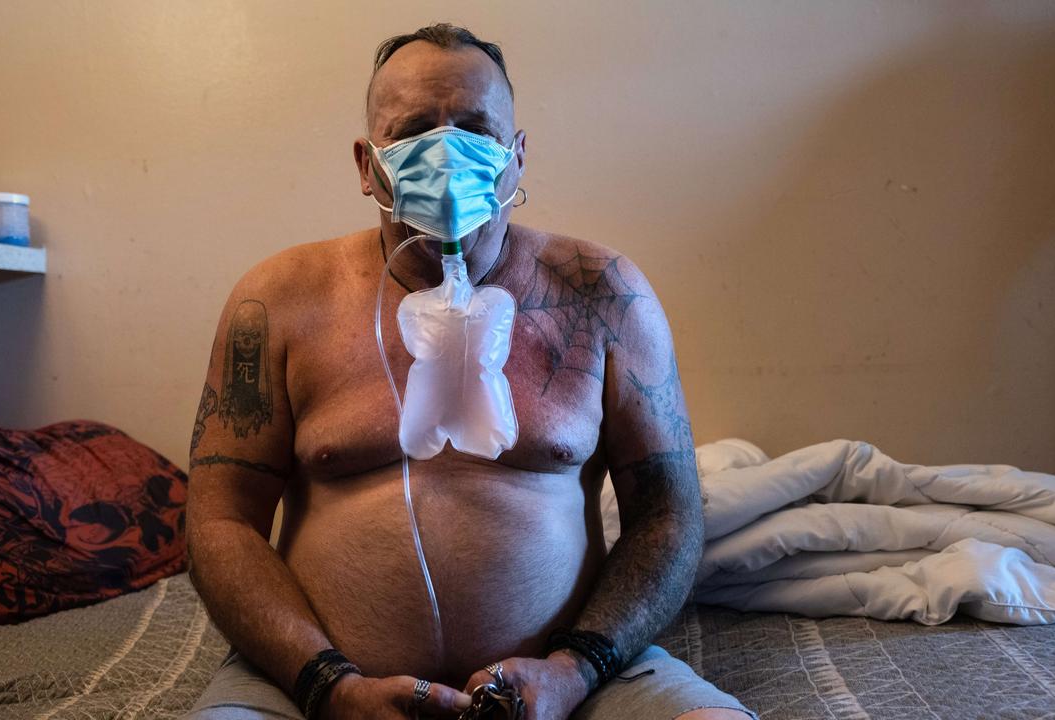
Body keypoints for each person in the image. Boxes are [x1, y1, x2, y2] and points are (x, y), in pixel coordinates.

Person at [184, 23, 756, 720]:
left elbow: (669, 513)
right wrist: (328, 686)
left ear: (517, 159)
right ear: (369, 166)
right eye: (416, 129)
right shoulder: (279, 300)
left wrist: (577, 669)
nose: (448, 153)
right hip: (310, 688)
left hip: (578, 686)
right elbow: (219, 521)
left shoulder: (604, 293)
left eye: (477, 130)